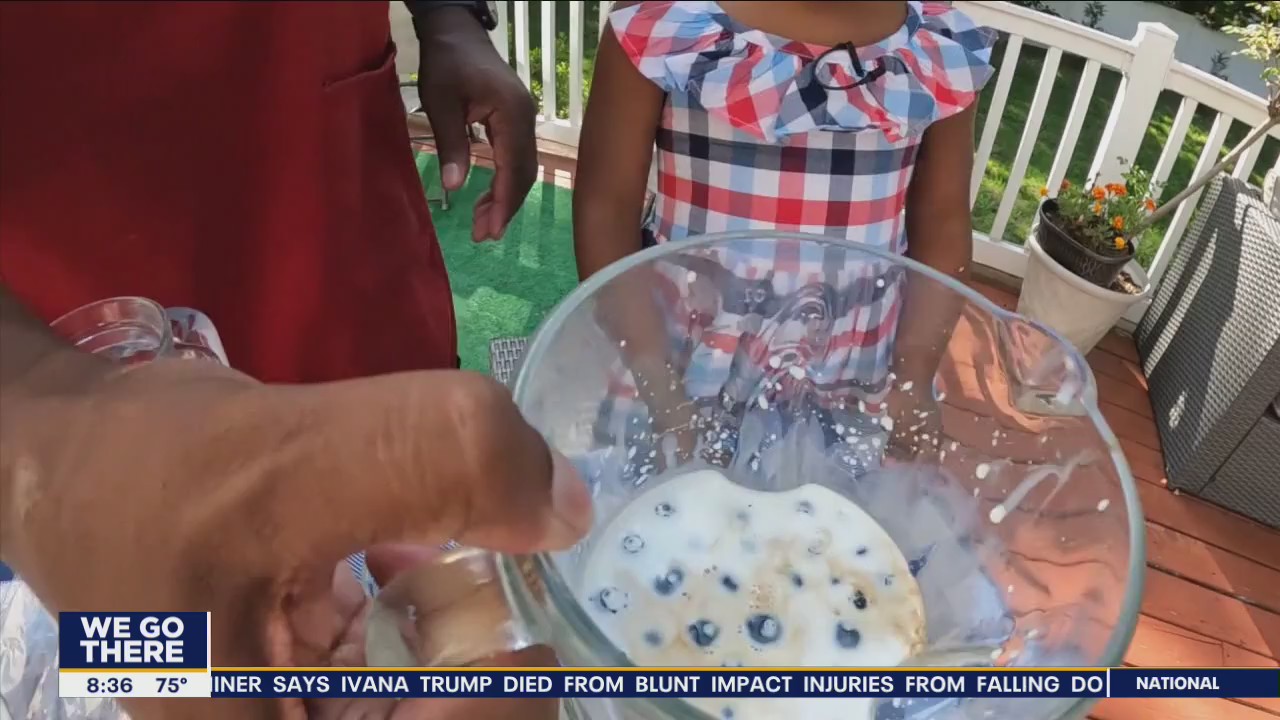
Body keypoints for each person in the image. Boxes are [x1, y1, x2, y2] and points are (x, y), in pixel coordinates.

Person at [0, 2, 590, 719]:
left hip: (349, 246)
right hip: (74, 409)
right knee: (118, 666)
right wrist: (38, 437)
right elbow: (94, 645)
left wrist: (448, 16)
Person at [573, 0, 996, 468]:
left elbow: (942, 223)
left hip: (853, 376)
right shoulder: (661, 25)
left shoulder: (935, 49)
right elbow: (605, 207)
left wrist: (915, 372)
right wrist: (652, 369)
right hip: (680, 367)